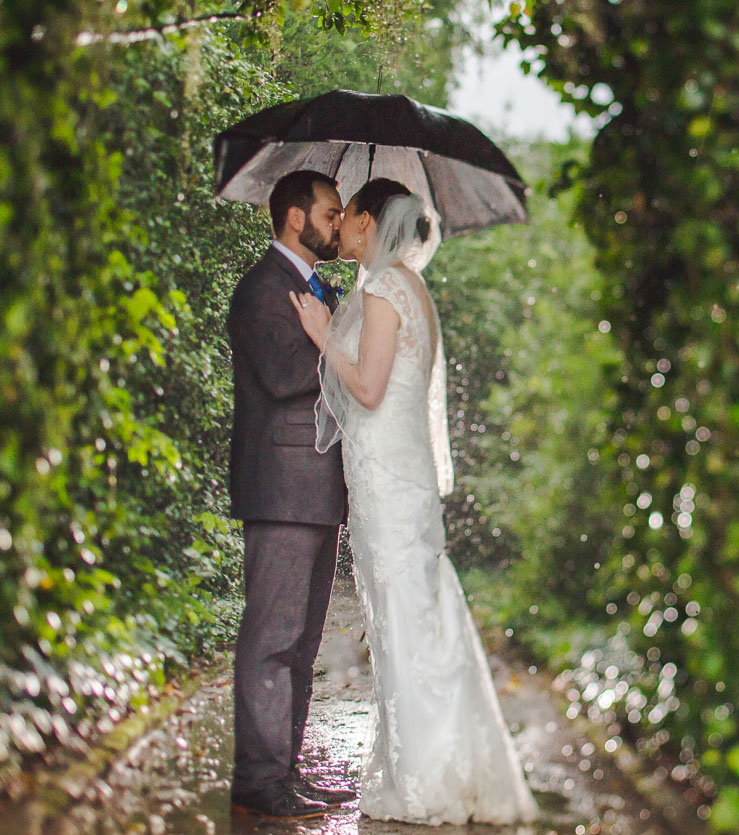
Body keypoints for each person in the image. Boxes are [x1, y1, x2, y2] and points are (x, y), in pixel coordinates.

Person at [289, 178, 541, 825]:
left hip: (388, 484)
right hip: (402, 479)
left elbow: (369, 389)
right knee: (417, 617)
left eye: (347, 217)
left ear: (370, 222)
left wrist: (322, 333)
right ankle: (443, 764)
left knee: (404, 623)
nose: (339, 227)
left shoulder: (380, 289)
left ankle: (428, 779)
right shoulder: (412, 288)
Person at [223, 169, 359, 820]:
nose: (338, 224)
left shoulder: (317, 287)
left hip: (318, 487)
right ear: (293, 217)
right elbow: (280, 378)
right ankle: (256, 782)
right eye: (331, 213)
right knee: (271, 638)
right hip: (278, 486)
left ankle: (284, 773)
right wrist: (331, 343)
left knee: (301, 645)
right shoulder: (260, 289)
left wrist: (333, 331)